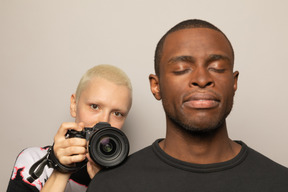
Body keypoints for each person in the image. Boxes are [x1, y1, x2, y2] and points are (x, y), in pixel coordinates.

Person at [87, 19, 288, 191]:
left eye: (217, 68)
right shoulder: (112, 185)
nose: (202, 79)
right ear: (156, 86)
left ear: (234, 82)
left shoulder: (280, 183)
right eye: (182, 69)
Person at [7, 64, 132, 192]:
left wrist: (104, 184)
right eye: (94, 106)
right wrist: (61, 170)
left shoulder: (132, 176)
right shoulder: (33, 161)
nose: (104, 121)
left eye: (117, 114)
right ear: (74, 105)